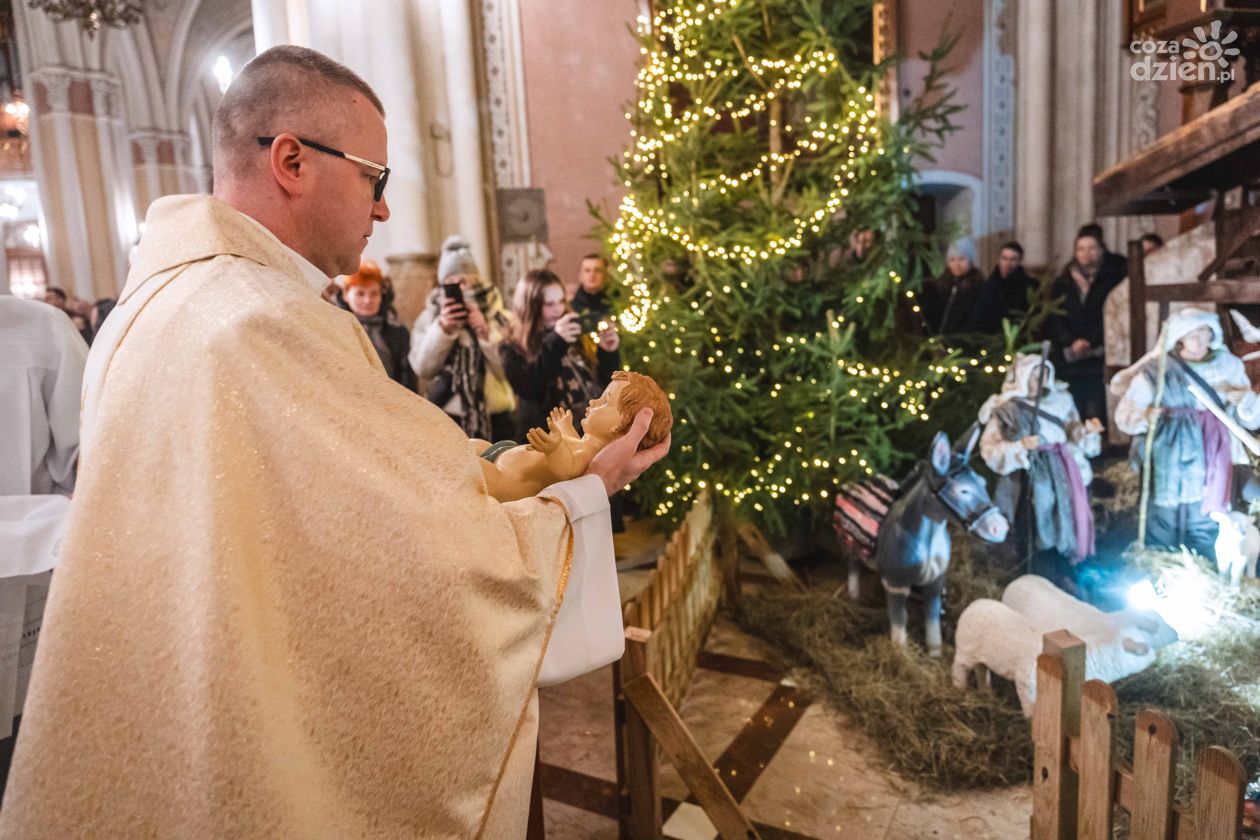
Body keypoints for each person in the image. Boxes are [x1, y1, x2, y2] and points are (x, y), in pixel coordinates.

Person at [0, 45, 668, 839]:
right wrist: (582, 499)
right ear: (291, 160)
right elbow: (418, 550)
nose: (382, 210)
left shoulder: (161, 302)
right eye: (374, 179)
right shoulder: (255, 321)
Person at [1112, 307, 1260, 558]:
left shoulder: (1229, 366)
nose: (1198, 338)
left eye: (1203, 331)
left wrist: (1244, 399)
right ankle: (1160, 560)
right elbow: (1127, 414)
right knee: (1165, 504)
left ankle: (1203, 562)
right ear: (1179, 336)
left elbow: (1250, 418)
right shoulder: (1157, 370)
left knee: (1207, 504)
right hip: (1170, 444)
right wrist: (1145, 416)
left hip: (1213, 447)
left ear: (1212, 333)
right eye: (1191, 332)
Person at [979, 353, 1102, 587]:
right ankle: (1039, 575)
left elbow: (1071, 430)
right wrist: (1019, 447)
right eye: (1034, 374)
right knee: (1038, 522)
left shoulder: (1061, 401)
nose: (1040, 379)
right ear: (1023, 376)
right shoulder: (1007, 409)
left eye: (1044, 373)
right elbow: (989, 447)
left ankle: (1068, 570)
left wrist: (1085, 431)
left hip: (1063, 471)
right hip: (1031, 476)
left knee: (1068, 516)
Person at [477, 372, 672, 502]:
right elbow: (574, 445)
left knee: (464, 461)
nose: (593, 401)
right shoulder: (583, 445)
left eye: (605, 402)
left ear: (618, 426)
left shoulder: (589, 459)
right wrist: (565, 428)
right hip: (504, 452)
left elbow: (567, 470)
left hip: (506, 481)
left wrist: (554, 449)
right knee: (474, 445)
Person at [409, 235, 515, 440]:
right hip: (448, 415)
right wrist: (443, 330)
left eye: (464, 280)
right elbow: (423, 369)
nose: (461, 288)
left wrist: (485, 333)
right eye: (452, 283)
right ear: (442, 285)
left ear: (477, 280)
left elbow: (509, 374)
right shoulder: (429, 318)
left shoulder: (501, 317)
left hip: (497, 417)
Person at [501, 268, 621, 441]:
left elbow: (601, 383)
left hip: (592, 436)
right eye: (549, 304)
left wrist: (607, 352)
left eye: (560, 301)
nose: (558, 309)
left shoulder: (572, 333)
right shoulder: (511, 347)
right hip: (551, 443)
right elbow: (528, 388)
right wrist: (557, 340)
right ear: (530, 306)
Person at [1048, 230, 1125, 423]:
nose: (1086, 253)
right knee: (1075, 400)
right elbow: (1057, 315)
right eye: (1081, 248)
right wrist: (1071, 341)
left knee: (1097, 401)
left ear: (1101, 250)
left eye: (1092, 248)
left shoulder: (1113, 279)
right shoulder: (1064, 282)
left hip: (1099, 349)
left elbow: (1114, 312)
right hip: (1071, 352)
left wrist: (1090, 340)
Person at [339, 259, 415, 391]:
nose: (367, 300)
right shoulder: (337, 328)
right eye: (360, 293)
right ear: (346, 295)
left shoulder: (397, 331)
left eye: (374, 294)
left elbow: (408, 379)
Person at [920, 238, 988, 336]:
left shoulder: (978, 287)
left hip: (962, 343)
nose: (957, 264)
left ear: (971, 261)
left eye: (962, 259)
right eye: (952, 260)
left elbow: (976, 320)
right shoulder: (941, 285)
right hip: (939, 342)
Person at [974, 240, 1037, 333]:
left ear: (1019, 261)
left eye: (1013, 259)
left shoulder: (1030, 286)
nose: (1008, 263)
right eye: (1004, 258)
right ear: (999, 259)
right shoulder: (988, 286)